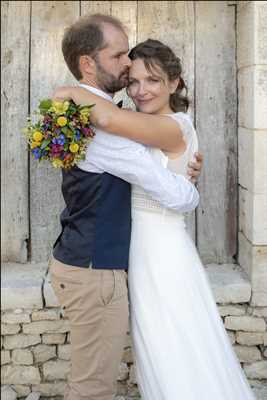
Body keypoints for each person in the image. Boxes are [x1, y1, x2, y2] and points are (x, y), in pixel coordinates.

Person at [53, 37, 256, 400]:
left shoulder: (173, 125)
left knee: (177, 347)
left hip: (164, 256)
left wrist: (69, 91)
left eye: (153, 80)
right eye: (133, 80)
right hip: (137, 255)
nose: (140, 90)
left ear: (174, 84)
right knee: (156, 352)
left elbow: (109, 117)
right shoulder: (138, 125)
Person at [50, 14, 202, 400]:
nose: (127, 63)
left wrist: (180, 161)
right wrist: (188, 186)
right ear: (88, 63)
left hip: (92, 262)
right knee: (92, 388)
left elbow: (141, 143)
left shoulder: (99, 115)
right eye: (118, 56)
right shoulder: (102, 126)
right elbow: (175, 195)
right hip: (95, 270)